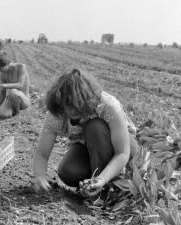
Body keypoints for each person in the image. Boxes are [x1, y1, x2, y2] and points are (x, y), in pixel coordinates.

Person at [33, 68, 138, 197]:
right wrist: (40, 177)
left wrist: (102, 179)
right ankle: (92, 184)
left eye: (77, 104)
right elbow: (42, 154)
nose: (71, 110)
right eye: (67, 104)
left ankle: (108, 186)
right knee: (69, 171)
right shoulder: (57, 115)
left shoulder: (107, 106)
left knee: (95, 127)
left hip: (124, 149)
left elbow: (122, 153)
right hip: (89, 147)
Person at [0, 54, 30, 118]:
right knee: (4, 114)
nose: (0, 71)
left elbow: (20, 85)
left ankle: (17, 113)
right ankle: (13, 111)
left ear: (6, 63)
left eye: (1, 69)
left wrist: (3, 85)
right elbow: (3, 93)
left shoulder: (21, 67)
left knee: (12, 91)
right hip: (11, 100)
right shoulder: (2, 74)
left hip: (24, 100)